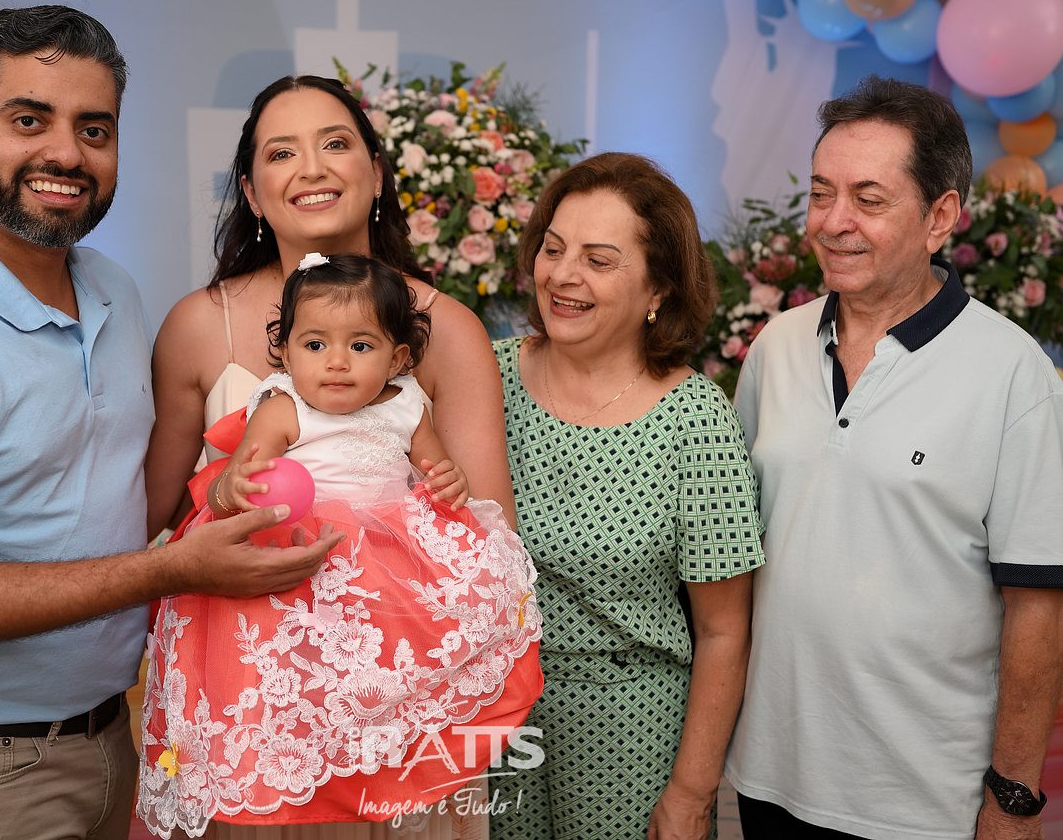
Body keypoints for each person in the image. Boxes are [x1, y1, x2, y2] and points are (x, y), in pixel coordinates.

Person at [0, 6, 339, 839]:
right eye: (29, 120)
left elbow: (130, 492)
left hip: (107, 732)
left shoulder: (112, 291)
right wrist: (169, 570)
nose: (66, 153)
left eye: (94, 129)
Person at [725, 76, 1063, 839]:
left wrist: (1012, 798)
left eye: (867, 200)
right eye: (820, 194)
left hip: (923, 802)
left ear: (939, 216)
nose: (832, 222)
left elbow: (1038, 608)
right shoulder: (775, 346)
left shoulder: (1013, 375)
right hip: (769, 776)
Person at [138, 253, 542, 837]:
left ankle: (380, 745)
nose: (335, 362)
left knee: (391, 661)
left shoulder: (406, 404)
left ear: (396, 359)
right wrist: (233, 489)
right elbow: (233, 482)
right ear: (285, 352)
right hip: (304, 557)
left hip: (388, 561)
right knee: (299, 670)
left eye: (360, 346)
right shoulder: (283, 406)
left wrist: (449, 480)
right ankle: (303, 753)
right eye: (314, 344)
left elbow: (436, 471)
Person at [488, 152, 765, 840]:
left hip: (628, 727)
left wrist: (692, 793)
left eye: (598, 260)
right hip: (491, 714)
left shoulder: (696, 420)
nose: (562, 275)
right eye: (553, 248)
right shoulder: (484, 378)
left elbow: (724, 631)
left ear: (657, 289)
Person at [144, 75, 515, 546]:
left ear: (376, 174)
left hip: (398, 588)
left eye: (335, 144)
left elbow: (491, 533)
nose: (313, 169)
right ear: (252, 194)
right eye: (282, 153)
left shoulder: (449, 327)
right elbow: (148, 520)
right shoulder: (197, 325)